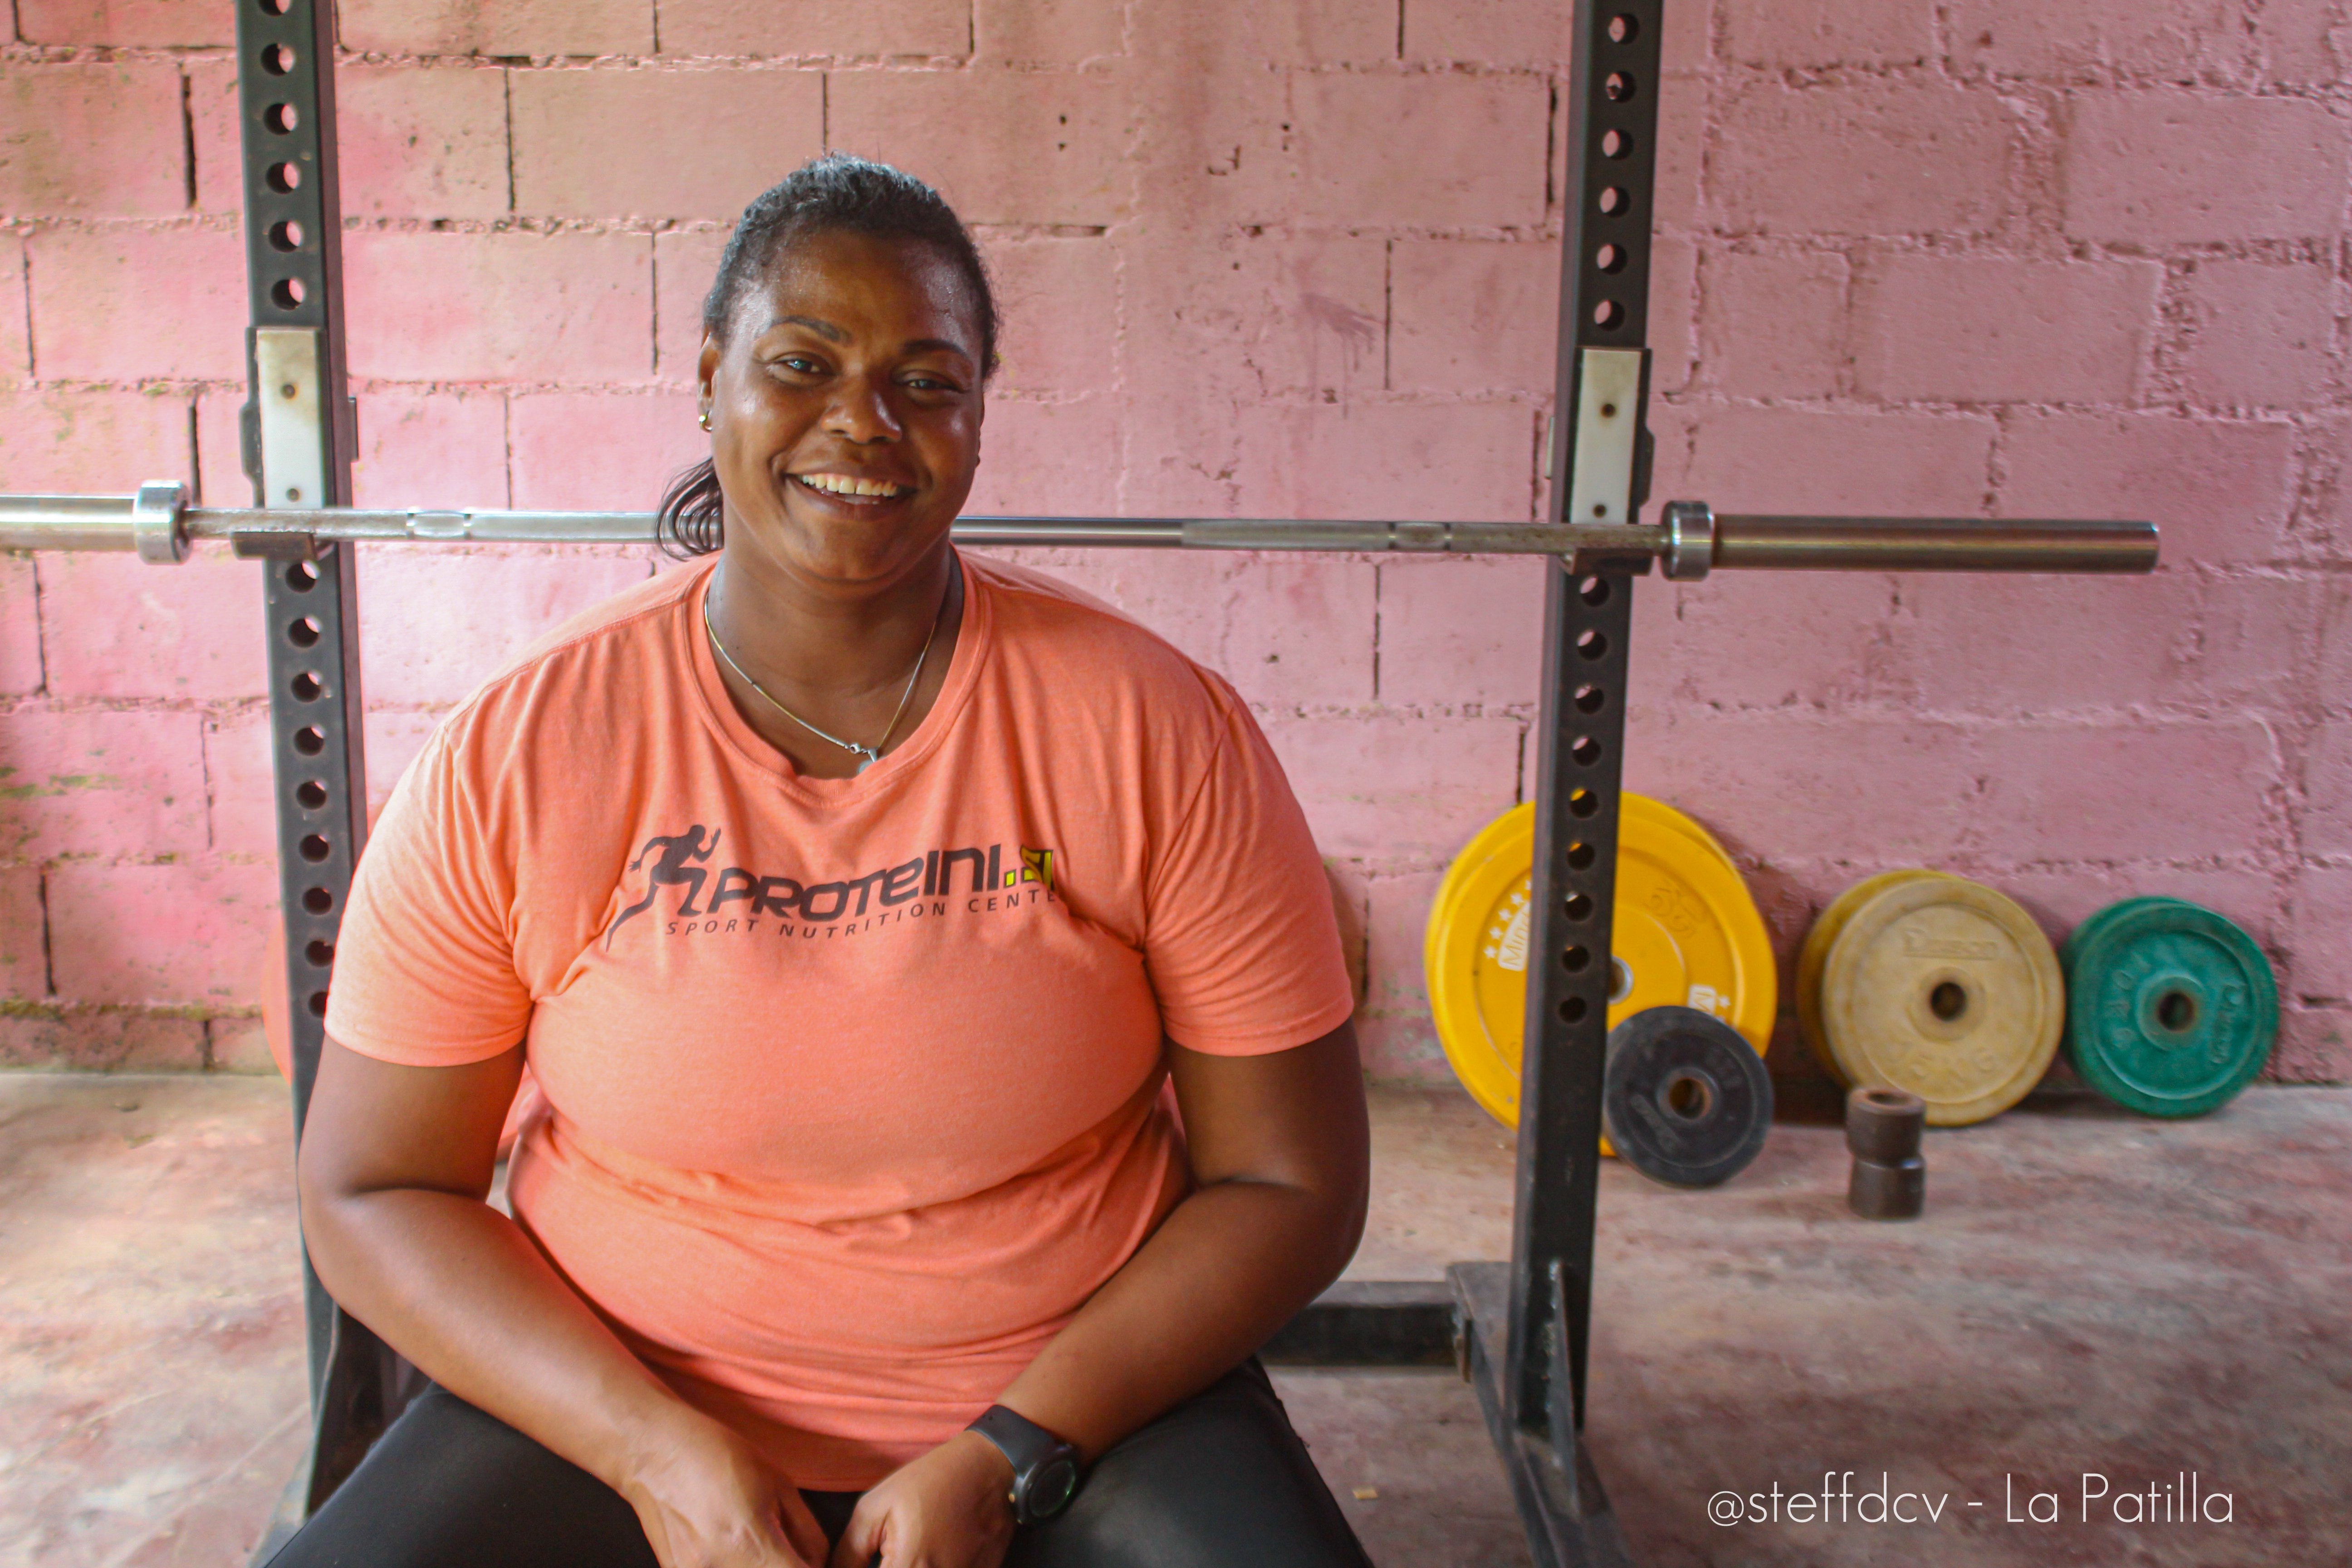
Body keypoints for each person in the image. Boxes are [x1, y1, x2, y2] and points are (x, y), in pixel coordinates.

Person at [275, 154, 1377, 1568]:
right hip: (623, 1405)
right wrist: (649, 1453)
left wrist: (1016, 1448)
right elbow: (371, 1186)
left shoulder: (1154, 727)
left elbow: (1293, 1183)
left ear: (982, 416)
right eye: (803, 362)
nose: (864, 421)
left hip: (1079, 1412)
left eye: (928, 379)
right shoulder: (524, 750)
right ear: (709, 379)